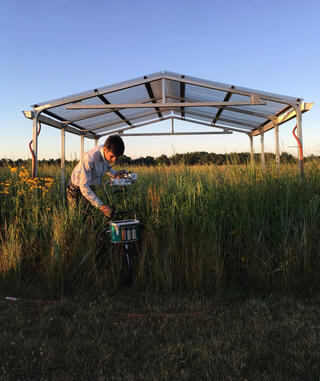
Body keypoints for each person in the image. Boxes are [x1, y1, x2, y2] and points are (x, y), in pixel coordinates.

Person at [66, 135, 125, 218]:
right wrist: (101, 206)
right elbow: (84, 186)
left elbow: (106, 167)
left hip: (90, 185)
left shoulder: (107, 152)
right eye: (112, 156)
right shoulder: (90, 158)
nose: (114, 160)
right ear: (105, 149)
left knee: (89, 215)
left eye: (117, 157)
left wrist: (115, 174)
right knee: (76, 217)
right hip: (76, 187)